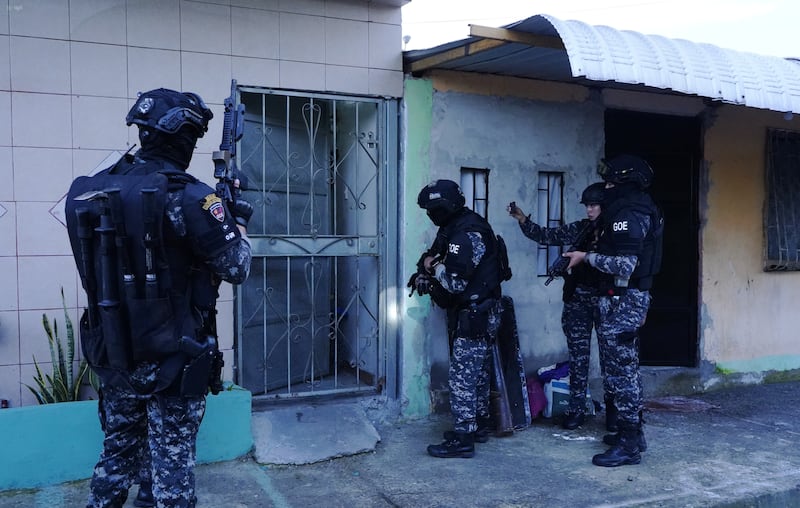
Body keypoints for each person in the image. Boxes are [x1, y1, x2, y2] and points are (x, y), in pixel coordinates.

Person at [66, 88, 253, 506]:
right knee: (172, 467)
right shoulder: (190, 196)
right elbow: (237, 267)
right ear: (185, 138)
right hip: (174, 356)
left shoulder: (95, 189)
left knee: (116, 455)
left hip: (114, 349)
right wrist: (235, 221)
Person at [563, 154, 663, 467]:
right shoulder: (634, 209)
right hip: (625, 299)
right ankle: (632, 434)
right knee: (627, 370)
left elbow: (625, 264)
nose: (605, 187)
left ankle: (629, 442)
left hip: (623, 300)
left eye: (610, 181)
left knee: (622, 374)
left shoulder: (628, 214)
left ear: (624, 182)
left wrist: (586, 257)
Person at [411, 179, 506, 459]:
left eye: (432, 209)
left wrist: (434, 266)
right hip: (477, 310)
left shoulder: (467, 234)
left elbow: (455, 283)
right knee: (476, 374)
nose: (429, 214)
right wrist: (427, 263)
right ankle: (478, 426)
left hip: (475, 313)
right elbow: (432, 255)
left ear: (444, 206)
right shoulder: (455, 226)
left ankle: (464, 438)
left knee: (463, 377)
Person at [508, 182, 609, 431]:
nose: (589, 210)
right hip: (578, 300)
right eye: (587, 206)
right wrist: (522, 219)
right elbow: (547, 236)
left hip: (607, 300)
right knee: (578, 357)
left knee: (612, 360)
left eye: (593, 205)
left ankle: (616, 411)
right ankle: (575, 410)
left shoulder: (615, 233)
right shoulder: (581, 229)